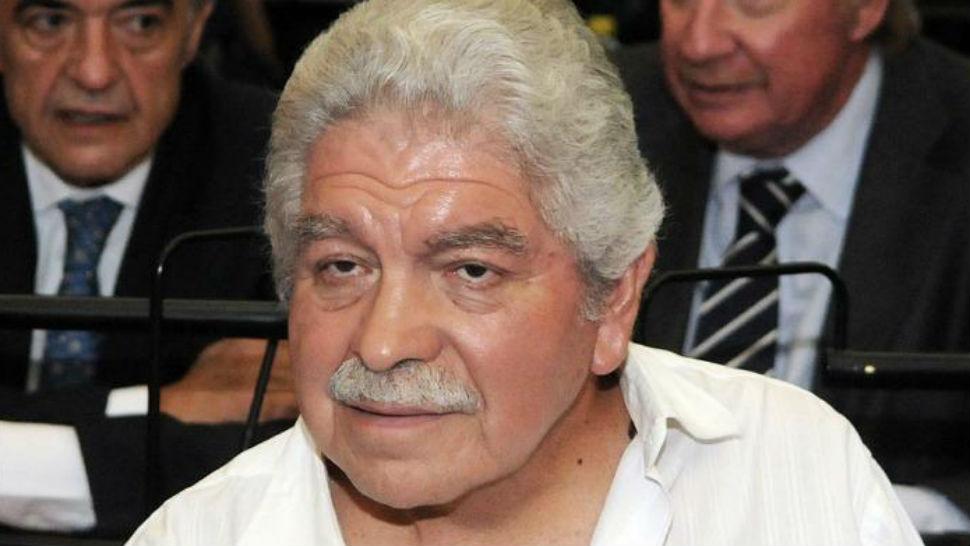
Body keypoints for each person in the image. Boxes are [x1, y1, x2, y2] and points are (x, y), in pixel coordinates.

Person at [128, 1, 921, 544]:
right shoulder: (205, 532)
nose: (382, 343)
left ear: (614, 297)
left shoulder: (788, 475)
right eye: (342, 265)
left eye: (470, 270)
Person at [612, 0, 970, 532]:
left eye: (754, 5)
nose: (699, 44)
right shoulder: (598, 115)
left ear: (864, 10)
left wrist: (882, 516)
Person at [0, 0, 295, 537]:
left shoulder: (278, 162)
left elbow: (279, 458)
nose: (94, 72)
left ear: (194, 30)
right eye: (50, 22)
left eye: (141, 24)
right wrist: (158, 404)